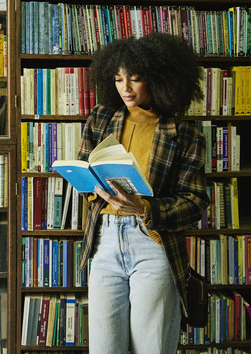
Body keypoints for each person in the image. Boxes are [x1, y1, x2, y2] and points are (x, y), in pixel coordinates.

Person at [78, 33, 210, 354]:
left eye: (135, 79)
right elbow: (84, 168)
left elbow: (195, 202)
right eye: (119, 78)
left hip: (152, 244)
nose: (125, 87)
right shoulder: (101, 117)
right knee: (104, 349)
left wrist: (145, 208)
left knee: (151, 347)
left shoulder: (184, 133)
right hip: (105, 243)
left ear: (159, 79)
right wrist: (92, 186)